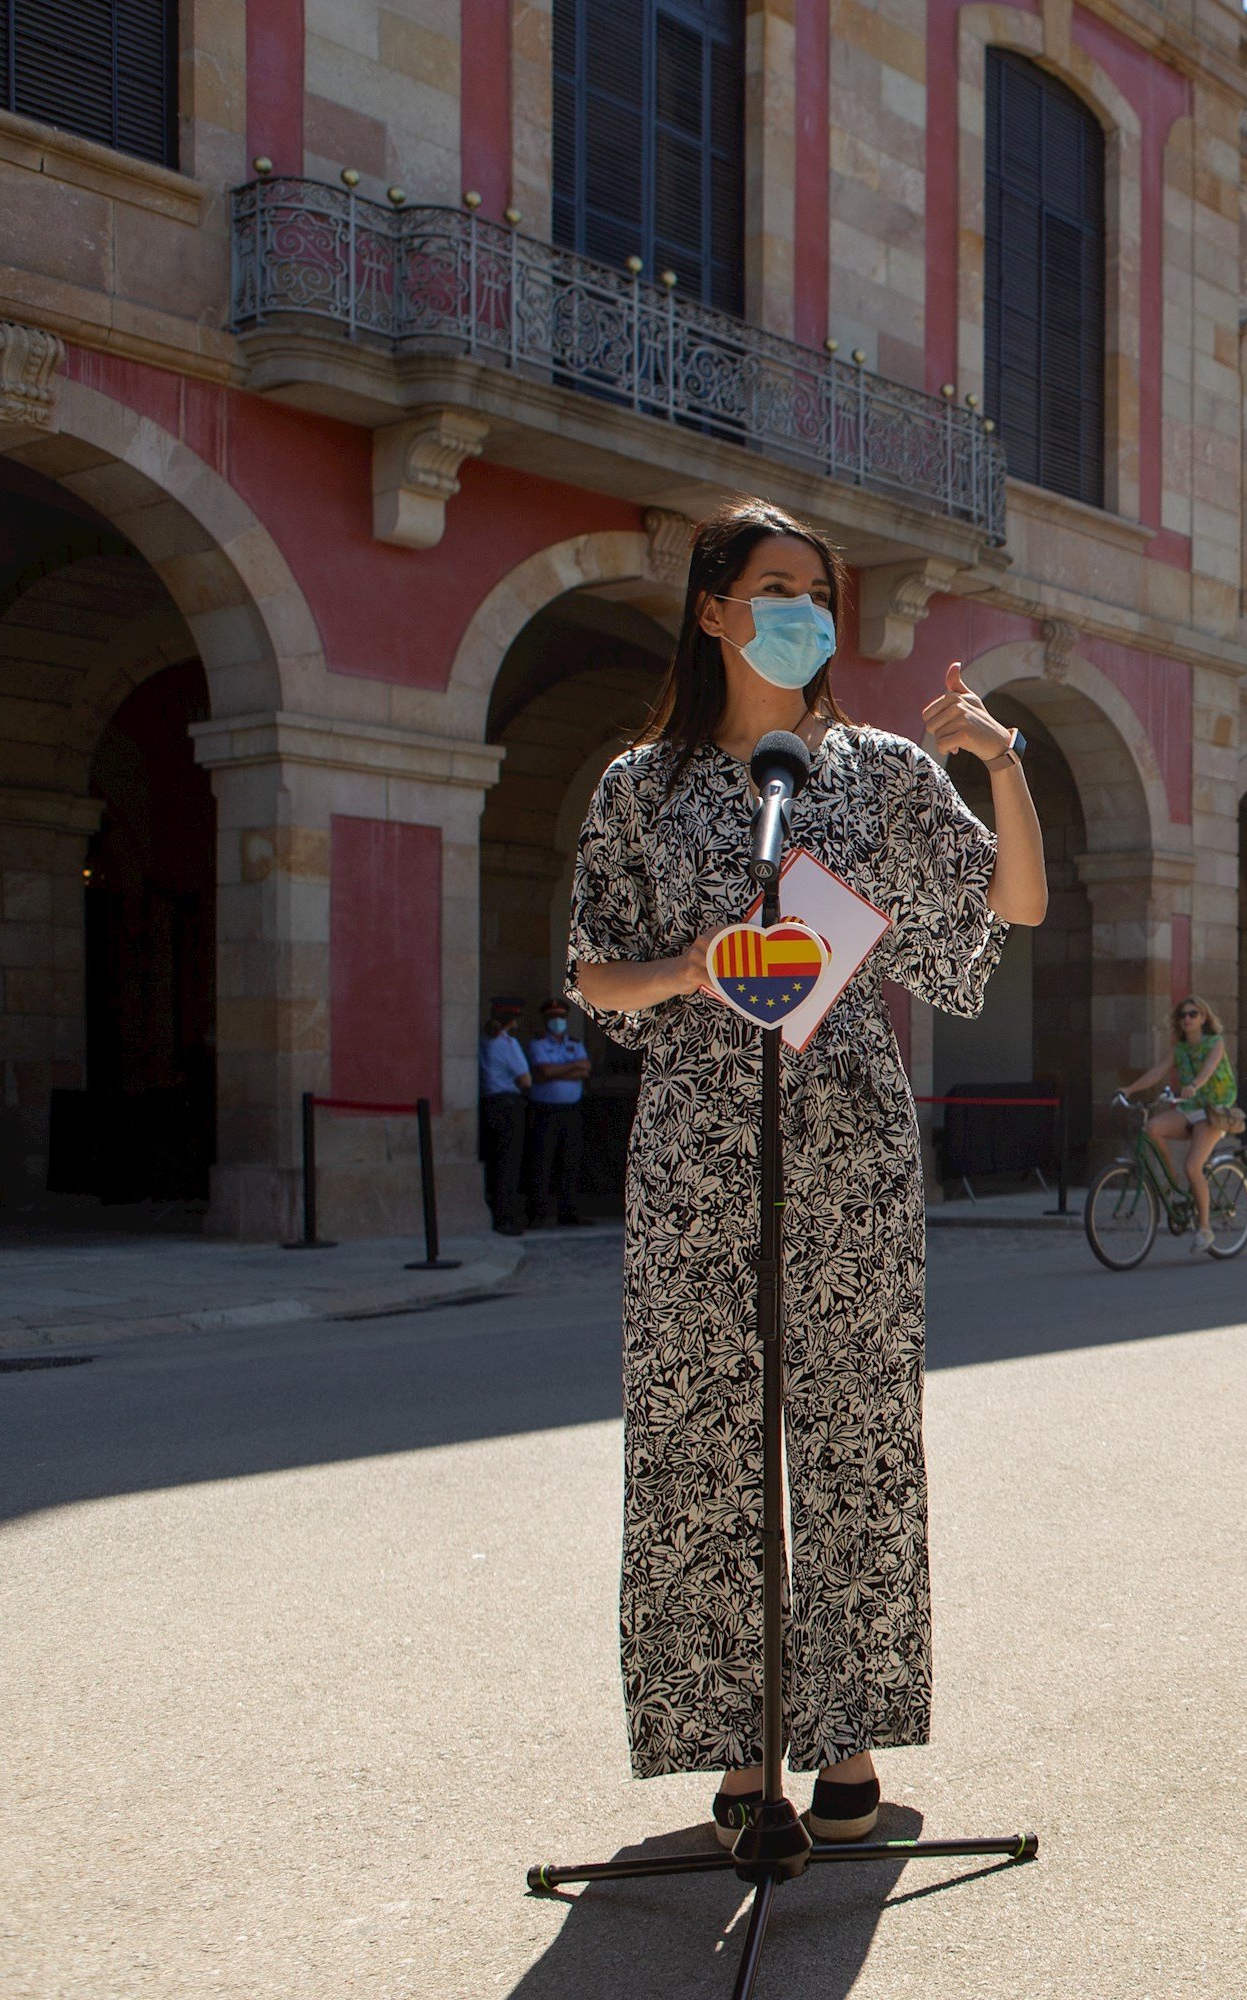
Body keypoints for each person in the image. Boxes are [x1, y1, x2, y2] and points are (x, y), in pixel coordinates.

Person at [567, 497, 1047, 1850]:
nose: (807, 611)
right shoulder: (637, 788)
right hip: (696, 1153)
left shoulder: (882, 770)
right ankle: (733, 1750)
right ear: (712, 609)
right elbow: (590, 970)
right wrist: (693, 969)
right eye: (777, 586)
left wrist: (1000, 765)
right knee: (699, 1446)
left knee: (853, 1441)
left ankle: (843, 1738)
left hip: (850, 1145)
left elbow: (1009, 908)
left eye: (819, 592)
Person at [1118, 996, 1239, 1249]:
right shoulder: (1179, 1049)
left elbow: (1208, 1069)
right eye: (1183, 1015)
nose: (1187, 1019)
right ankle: (1171, 1179)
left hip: (1213, 1110)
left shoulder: (1215, 1043)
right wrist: (1130, 1089)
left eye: (1193, 1014)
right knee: (1152, 1128)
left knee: (1193, 1167)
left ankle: (1205, 1229)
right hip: (1189, 1108)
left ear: (1203, 1018)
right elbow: (1158, 1071)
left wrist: (1194, 1085)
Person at [524, 999, 593, 1228]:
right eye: (553, 1017)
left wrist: (557, 1072)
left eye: (561, 1017)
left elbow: (585, 1069)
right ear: (546, 1020)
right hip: (545, 1111)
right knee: (542, 1162)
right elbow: (543, 1071)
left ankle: (569, 1212)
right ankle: (538, 1213)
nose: (558, 1021)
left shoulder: (574, 1043)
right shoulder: (538, 1044)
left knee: (570, 1162)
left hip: (571, 1110)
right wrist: (570, 1068)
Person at [478, 996, 530, 1237]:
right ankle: (506, 1217)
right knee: (509, 1163)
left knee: (495, 1162)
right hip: (508, 1105)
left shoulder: (484, 1041)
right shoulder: (506, 1043)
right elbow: (525, 1079)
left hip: (488, 1104)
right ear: (513, 1020)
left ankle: (498, 1213)